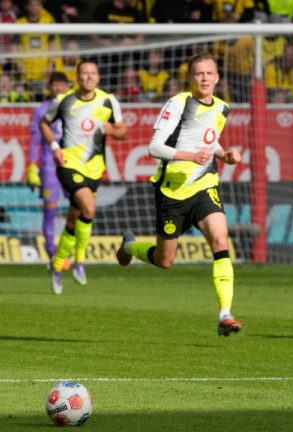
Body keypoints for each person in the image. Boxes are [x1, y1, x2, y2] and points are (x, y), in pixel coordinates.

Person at [116, 53, 244, 337]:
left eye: (209, 73)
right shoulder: (179, 103)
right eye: (199, 73)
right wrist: (190, 156)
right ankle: (128, 248)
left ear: (217, 77)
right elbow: (154, 147)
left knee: (221, 241)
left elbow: (208, 138)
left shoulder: (222, 108)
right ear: (190, 77)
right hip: (172, 192)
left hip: (204, 185)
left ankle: (225, 313)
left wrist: (225, 154)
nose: (205, 78)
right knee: (164, 260)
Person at [41, 59, 127, 285]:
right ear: (77, 77)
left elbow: (123, 131)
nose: (89, 77)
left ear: (98, 77)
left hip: (95, 168)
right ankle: (80, 261)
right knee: (89, 207)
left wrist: (113, 130)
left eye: (93, 73)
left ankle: (58, 264)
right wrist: (54, 147)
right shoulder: (64, 100)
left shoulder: (109, 101)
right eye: (84, 74)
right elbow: (44, 123)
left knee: (74, 219)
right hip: (69, 165)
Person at [27, 72, 69, 294]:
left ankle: (68, 252)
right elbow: (34, 141)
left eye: (63, 85)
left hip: (73, 166)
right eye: (56, 85)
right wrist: (32, 166)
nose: (59, 88)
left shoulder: (74, 107)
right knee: (50, 212)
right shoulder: (42, 110)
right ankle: (53, 255)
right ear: (50, 87)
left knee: (79, 211)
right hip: (49, 167)